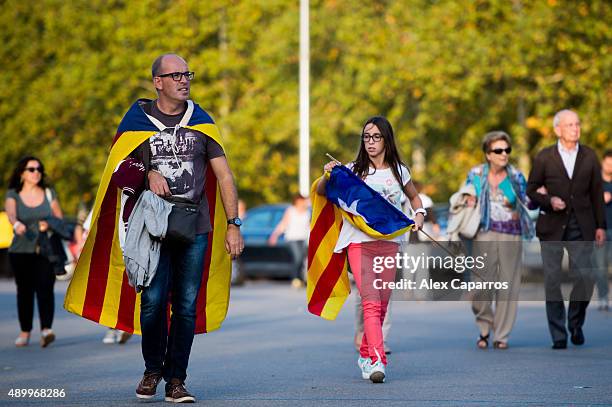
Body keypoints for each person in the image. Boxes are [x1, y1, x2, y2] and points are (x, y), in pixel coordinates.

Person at [64, 54, 243, 403]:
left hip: (195, 226)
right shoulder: (136, 121)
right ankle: (152, 369)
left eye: (187, 74)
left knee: (187, 305)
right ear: (157, 82)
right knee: (154, 302)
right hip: (151, 227)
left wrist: (234, 224)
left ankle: (177, 380)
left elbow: (224, 175)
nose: (184, 80)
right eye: (175, 75)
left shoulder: (202, 122)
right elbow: (117, 170)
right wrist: (147, 173)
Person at [316, 116, 424, 383]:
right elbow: (321, 191)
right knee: (371, 302)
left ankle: (365, 353)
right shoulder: (352, 170)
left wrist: (419, 214)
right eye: (366, 137)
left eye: (376, 137)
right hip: (358, 243)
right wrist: (327, 173)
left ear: (387, 139)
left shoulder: (400, 171)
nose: (371, 142)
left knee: (382, 304)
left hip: (389, 243)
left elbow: (414, 197)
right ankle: (377, 361)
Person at [527, 109, 606, 349]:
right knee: (552, 281)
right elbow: (531, 189)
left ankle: (575, 322)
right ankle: (559, 334)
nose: (575, 128)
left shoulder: (590, 156)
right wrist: (549, 200)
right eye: (570, 125)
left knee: (586, 276)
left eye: (577, 124)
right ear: (557, 130)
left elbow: (596, 195)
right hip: (552, 226)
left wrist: (601, 225)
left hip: (581, 226)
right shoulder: (544, 157)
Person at [463, 131, 535, 350]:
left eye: (507, 150)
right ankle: (485, 326)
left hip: (511, 234)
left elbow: (528, 204)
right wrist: (468, 198)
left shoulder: (516, 176)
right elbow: (464, 194)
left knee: (508, 285)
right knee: (479, 286)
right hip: (483, 232)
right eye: (498, 150)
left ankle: (501, 334)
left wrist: (519, 208)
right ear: (488, 154)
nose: (504, 154)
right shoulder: (476, 174)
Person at [4, 156, 63, 348]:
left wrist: (50, 224)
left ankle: (46, 330)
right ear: (22, 173)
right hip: (20, 250)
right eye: (31, 169)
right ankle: (25, 331)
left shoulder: (48, 193)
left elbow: (59, 219)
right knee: (25, 291)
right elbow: (11, 214)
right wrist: (17, 223)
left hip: (45, 249)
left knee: (45, 288)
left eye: (39, 169)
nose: (36, 172)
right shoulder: (13, 194)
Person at [268, 194, 310, 288]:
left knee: (302, 259)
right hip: (292, 238)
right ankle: (295, 278)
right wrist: (274, 235)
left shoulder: (307, 212)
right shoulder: (290, 210)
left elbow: (309, 225)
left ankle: (301, 279)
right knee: (297, 257)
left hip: (304, 238)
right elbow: (283, 223)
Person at [593, 150, 612, 311]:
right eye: (608, 163)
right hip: (600, 230)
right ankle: (603, 297)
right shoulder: (595, 182)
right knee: (600, 267)